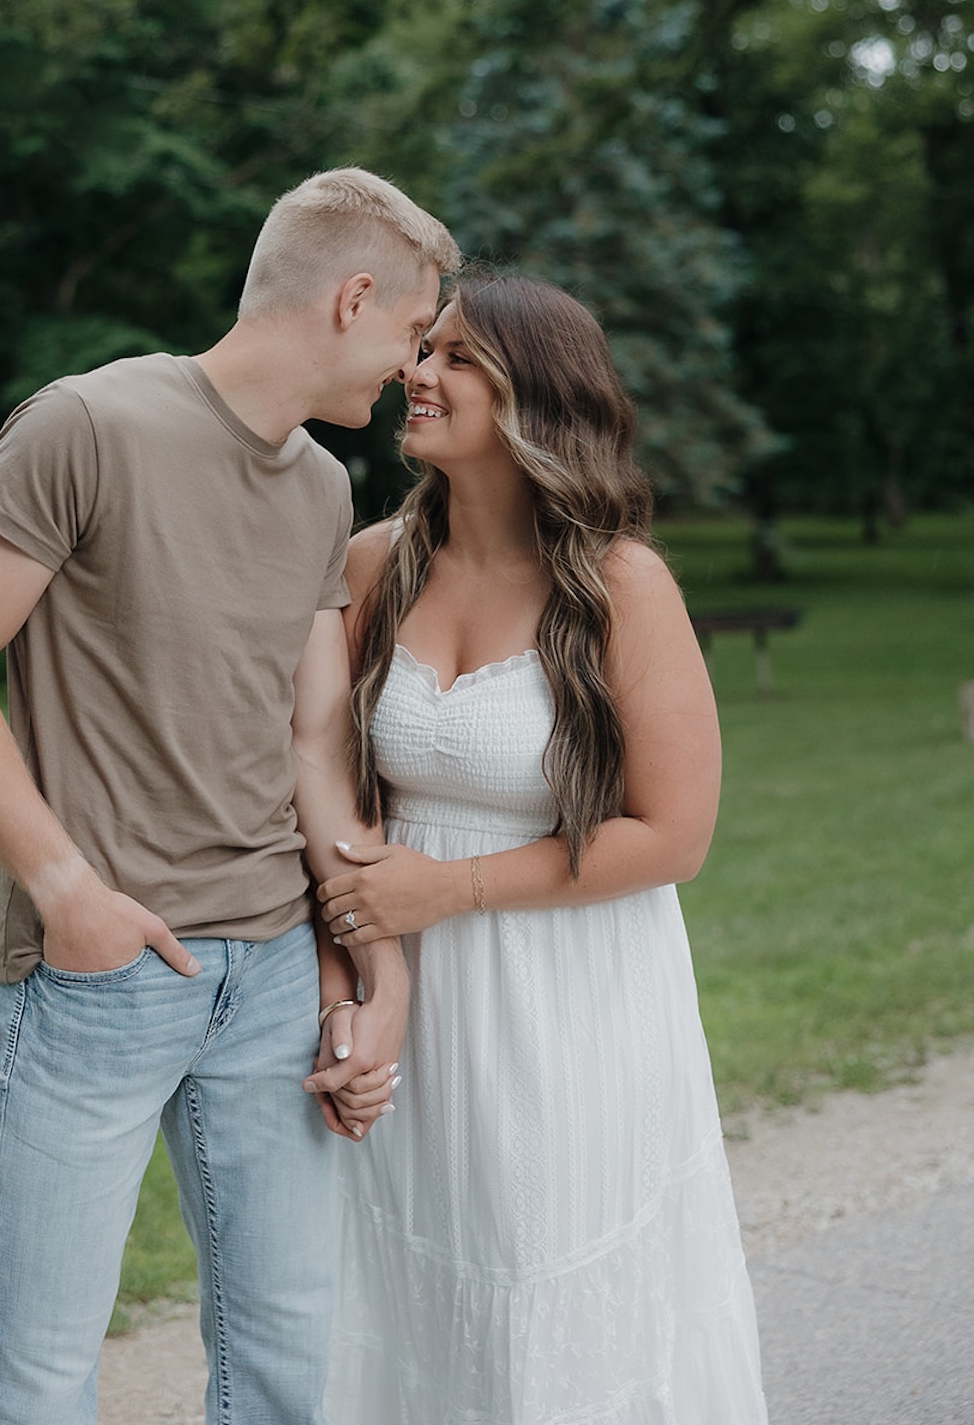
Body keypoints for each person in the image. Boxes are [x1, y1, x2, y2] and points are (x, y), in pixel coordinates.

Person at [0, 168, 461, 1425]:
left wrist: (360, 956)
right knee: (38, 1375)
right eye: (410, 335)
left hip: (266, 979)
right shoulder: (85, 425)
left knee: (281, 1359)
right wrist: (63, 893)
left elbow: (313, 734)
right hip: (105, 977)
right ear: (351, 298)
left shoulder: (319, 487)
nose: (409, 371)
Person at [318, 273, 768, 1425]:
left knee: (548, 1269)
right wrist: (361, 977)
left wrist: (450, 886)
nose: (416, 373)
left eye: (455, 357)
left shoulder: (619, 585)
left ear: (538, 398)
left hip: (565, 992)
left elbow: (675, 834)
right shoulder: (373, 564)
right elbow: (322, 787)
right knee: (402, 1279)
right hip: (405, 980)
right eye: (422, 349)